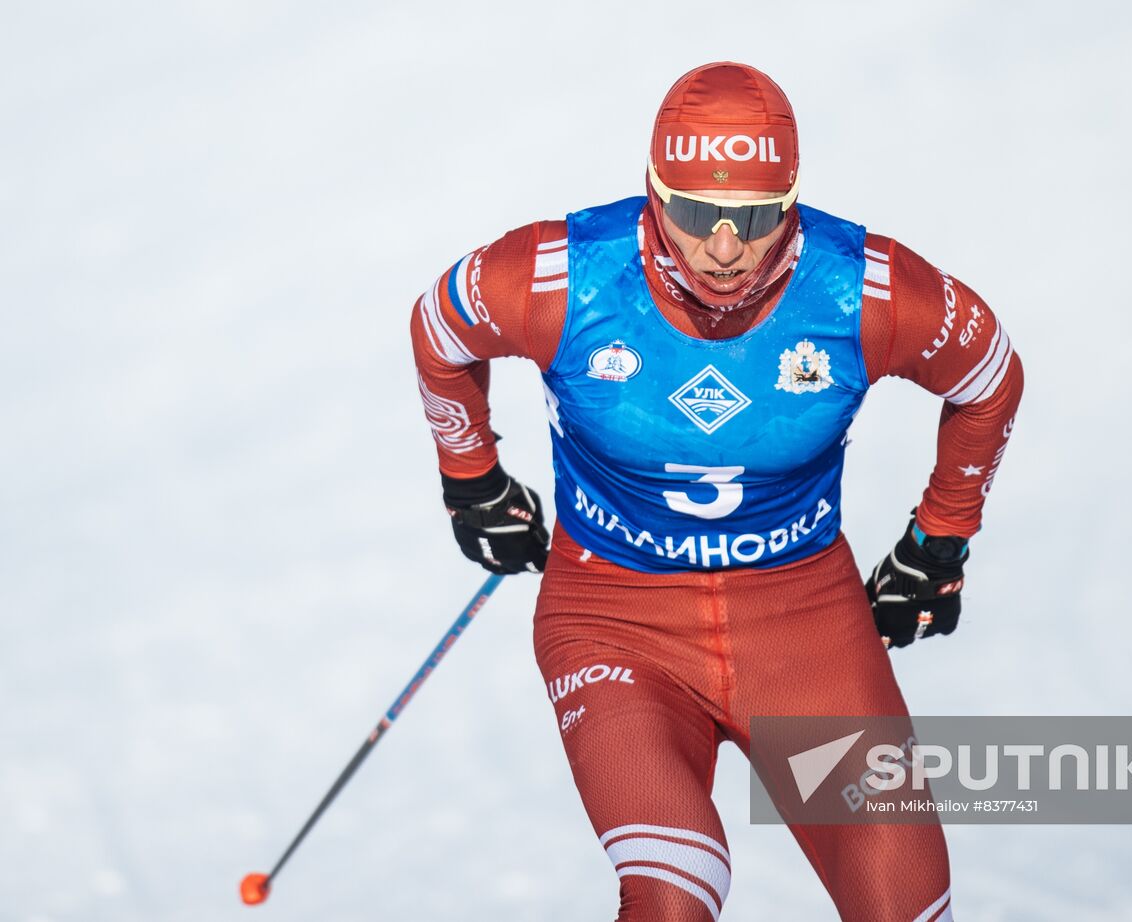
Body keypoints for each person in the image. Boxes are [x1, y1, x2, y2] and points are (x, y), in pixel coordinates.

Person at [410, 61, 1022, 922]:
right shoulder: (563, 275)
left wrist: (939, 540)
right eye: (697, 214)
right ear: (654, 191)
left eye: (757, 217)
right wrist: (470, 480)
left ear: (792, 201)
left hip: (805, 625)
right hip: (616, 615)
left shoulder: (863, 290)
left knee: (907, 905)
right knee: (673, 891)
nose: (726, 248)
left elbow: (989, 379)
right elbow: (439, 329)